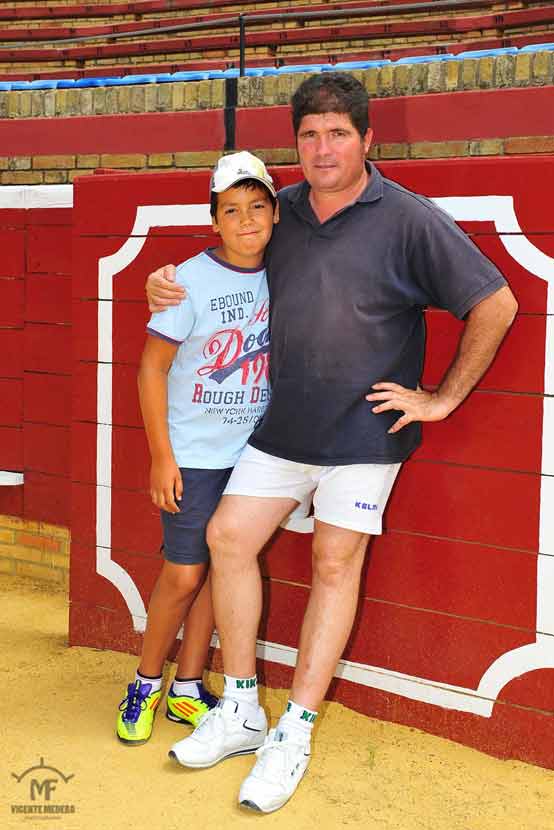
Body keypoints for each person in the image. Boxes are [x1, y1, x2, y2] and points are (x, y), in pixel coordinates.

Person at [146, 73, 518, 810]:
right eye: (310, 135)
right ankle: (246, 708)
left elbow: (496, 303)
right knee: (227, 539)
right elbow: (224, 257)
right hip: (282, 427)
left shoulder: (407, 218)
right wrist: (168, 283)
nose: (323, 148)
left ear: (367, 140)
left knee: (334, 562)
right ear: (296, 145)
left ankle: (296, 730)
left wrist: (442, 398)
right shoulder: (278, 212)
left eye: (338, 133)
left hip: (362, 435)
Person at [116, 151, 279, 746]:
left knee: (224, 568)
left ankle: (188, 687)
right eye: (231, 210)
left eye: (257, 206)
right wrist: (163, 456)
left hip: (256, 454)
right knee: (183, 575)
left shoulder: (283, 270)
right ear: (214, 220)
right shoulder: (186, 281)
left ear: (276, 213)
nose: (245, 220)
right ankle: (144, 682)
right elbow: (150, 371)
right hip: (195, 455)